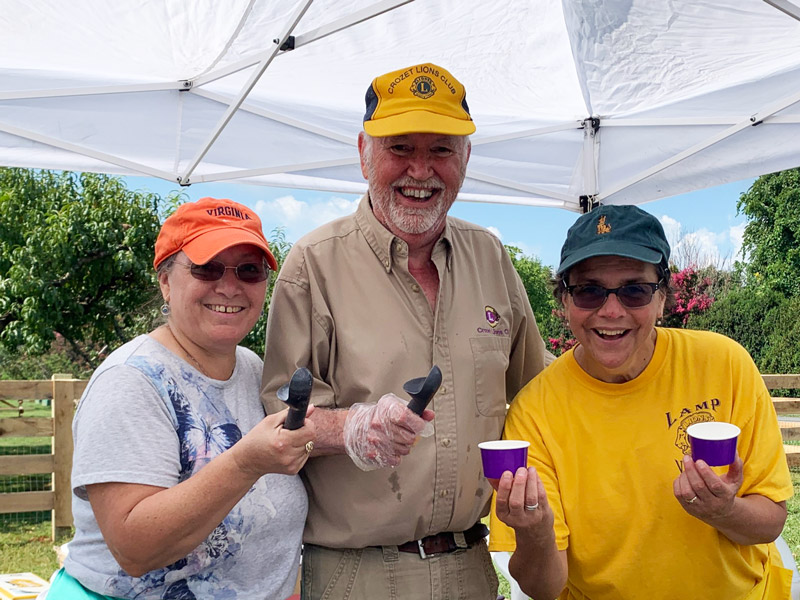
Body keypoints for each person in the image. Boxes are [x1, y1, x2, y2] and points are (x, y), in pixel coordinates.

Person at [260, 62, 550, 599]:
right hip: (356, 574)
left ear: (467, 159)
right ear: (364, 153)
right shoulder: (313, 263)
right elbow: (279, 418)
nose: (421, 170)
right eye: (400, 148)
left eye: (441, 149)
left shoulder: (489, 254)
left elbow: (541, 392)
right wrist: (352, 427)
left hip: (472, 566)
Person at [489, 204, 794, 599]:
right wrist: (536, 532)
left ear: (662, 298)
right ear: (564, 302)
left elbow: (771, 521)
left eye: (634, 290)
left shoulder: (724, 364)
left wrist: (724, 510)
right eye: (589, 290)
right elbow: (544, 588)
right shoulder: (535, 411)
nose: (611, 310)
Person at [48, 197, 315, 599]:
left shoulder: (253, 368)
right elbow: (135, 548)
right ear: (166, 281)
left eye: (249, 269)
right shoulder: (132, 380)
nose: (230, 286)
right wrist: (246, 463)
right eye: (206, 267)